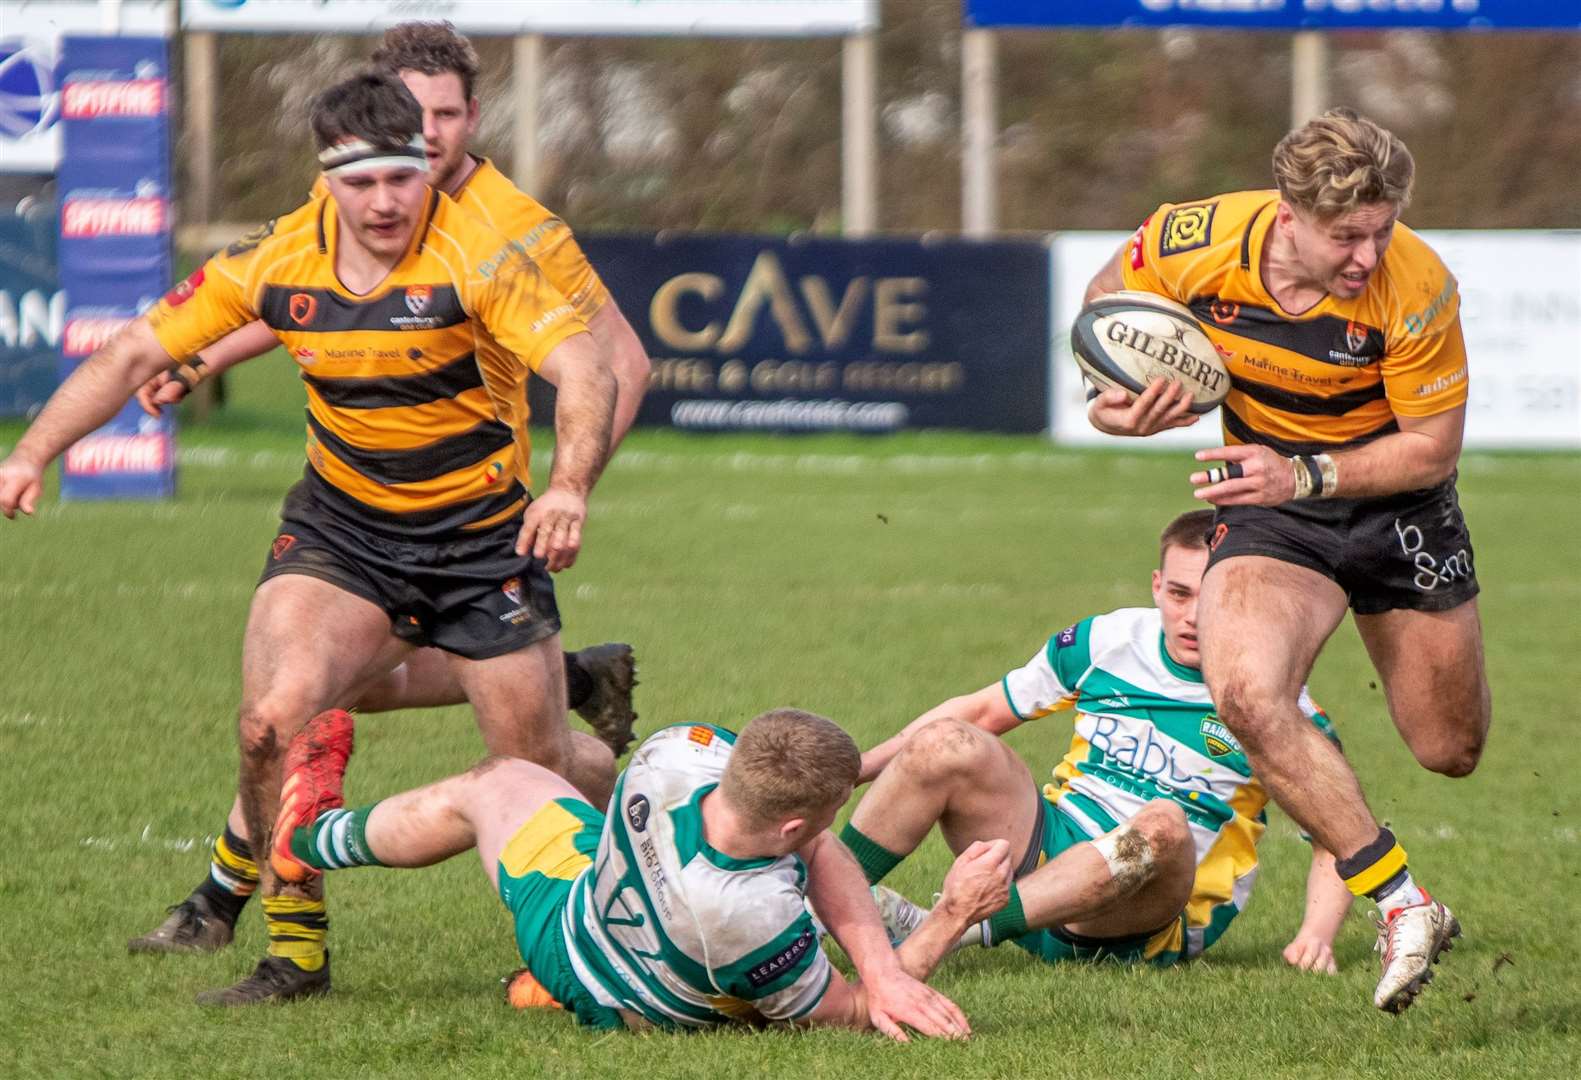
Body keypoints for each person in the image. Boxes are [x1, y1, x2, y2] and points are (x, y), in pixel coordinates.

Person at [1, 69, 620, 1005]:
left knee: (536, 775)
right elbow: (134, 350)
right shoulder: (277, 259)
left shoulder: (482, 254)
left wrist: (568, 486)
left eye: (401, 179)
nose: (383, 202)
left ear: (427, 167)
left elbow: (583, 366)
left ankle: (623, 828)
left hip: (481, 544)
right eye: (359, 181)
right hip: (343, 534)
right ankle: (296, 954)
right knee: (270, 724)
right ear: (326, 177)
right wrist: (31, 453)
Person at [1082, 108, 1488, 1012]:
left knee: (1448, 749)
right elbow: (1105, 301)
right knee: (1246, 694)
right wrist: (1111, 399)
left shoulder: (1415, 285)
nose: (1368, 255)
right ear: (1288, 214)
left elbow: (1432, 447)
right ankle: (1402, 904)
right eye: (1347, 236)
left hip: (1396, 507)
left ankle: (1392, 876)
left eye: (1382, 231)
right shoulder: (1196, 239)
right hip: (1271, 513)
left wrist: (1303, 469)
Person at [271, 705, 1013, 1037]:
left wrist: (877, 965)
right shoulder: (752, 916)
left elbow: (812, 845)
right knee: (768, 988)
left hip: (573, 918)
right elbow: (850, 1016)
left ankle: (312, 839)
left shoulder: (675, 753)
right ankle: (302, 841)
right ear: (789, 826)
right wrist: (953, 914)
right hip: (621, 992)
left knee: (494, 782)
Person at [838, 510, 1354, 977]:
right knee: (946, 743)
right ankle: (814, 896)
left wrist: (1316, 935)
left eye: (1211, 597)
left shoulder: (1281, 704)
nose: (1193, 617)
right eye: (1179, 594)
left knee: (1162, 824)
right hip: (1043, 858)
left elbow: (1337, 837)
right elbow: (983, 711)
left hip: (1143, 916)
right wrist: (856, 768)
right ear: (1156, 587)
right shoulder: (1109, 641)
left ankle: (946, 930)